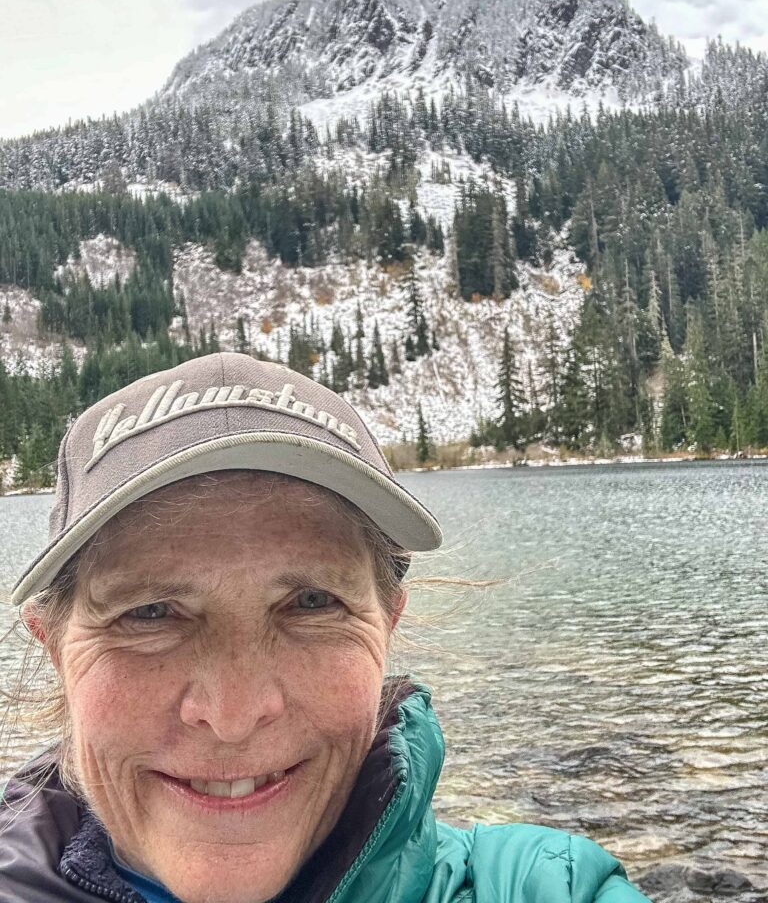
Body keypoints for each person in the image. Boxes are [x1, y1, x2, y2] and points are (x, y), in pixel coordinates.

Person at [0, 352, 650, 903]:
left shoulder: (545, 886)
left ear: (385, 625)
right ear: (53, 644)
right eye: (149, 613)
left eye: (311, 603)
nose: (234, 714)